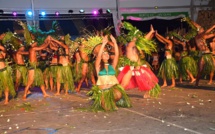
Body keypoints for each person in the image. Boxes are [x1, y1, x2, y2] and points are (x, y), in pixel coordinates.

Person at [87, 35, 131, 111]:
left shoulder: (112, 66)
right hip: (103, 90)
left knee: (119, 94)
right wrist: (103, 44)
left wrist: (115, 42)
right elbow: (99, 56)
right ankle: (105, 101)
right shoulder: (98, 65)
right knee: (107, 108)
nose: (107, 55)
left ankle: (112, 101)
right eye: (104, 54)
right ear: (101, 56)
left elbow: (117, 55)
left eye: (107, 54)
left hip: (112, 88)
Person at [117, 24, 160, 98]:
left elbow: (144, 41)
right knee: (124, 84)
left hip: (138, 65)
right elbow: (143, 41)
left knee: (149, 78)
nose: (139, 37)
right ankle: (117, 95)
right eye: (138, 36)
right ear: (134, 36)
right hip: (131, 66)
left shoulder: (134, 44)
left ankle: (148, 92)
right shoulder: (131, 44)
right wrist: (150, 32)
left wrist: (150, 34)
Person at [191, 21, 215, 86]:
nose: (203, 30)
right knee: (200, 70)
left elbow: (212, 34)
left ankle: (210, 80)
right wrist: (213, 26)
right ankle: (196, 83)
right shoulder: (198, 37)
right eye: (202, 29)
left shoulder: (203, 37)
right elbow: (206, 32)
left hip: (209, 54)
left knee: (213, 66)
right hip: (203, 55)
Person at [0, 33, 16, 104]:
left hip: (3, 71)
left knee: (6, 84)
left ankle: (6, 99)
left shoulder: (2, 52)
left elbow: (3, 49)